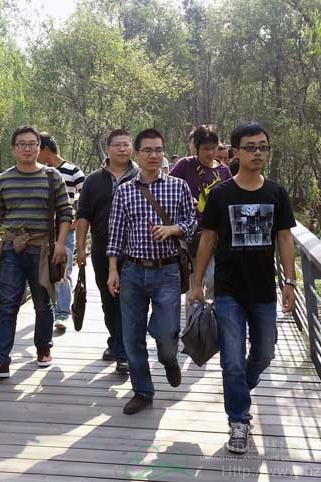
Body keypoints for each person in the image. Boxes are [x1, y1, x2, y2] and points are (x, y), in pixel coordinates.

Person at [189, 122, 297, 454]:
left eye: (263, 147)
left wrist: (290, 281)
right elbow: (207, 239)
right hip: (228, 291)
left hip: (263, 290)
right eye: (251, 147)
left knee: (264, 353)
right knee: (232, 361)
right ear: (235, 152)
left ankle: (240, 391)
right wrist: (196, 284)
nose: (258, 153)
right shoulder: (221, 194)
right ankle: (239, 421)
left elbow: (284, 238)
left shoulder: (276, 193)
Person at [106, 128, 196, 415]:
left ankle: (169, 360)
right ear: (137, 154)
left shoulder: (179, 186)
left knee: (168, 335)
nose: (153, 155)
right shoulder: (124, 190)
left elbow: (193, 221)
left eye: (158, 150)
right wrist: (113, 270)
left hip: (167, 271)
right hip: (132, 271)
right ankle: (143, 391)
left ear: (164, 153)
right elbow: (116, 234)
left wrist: (174, 228)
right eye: (147, 150)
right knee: (132, 337)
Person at [0, 125, 72, 377]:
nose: (27, 148)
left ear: (39, 148)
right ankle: (0, 361)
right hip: (12, 249)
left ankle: (43, 348)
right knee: (7, 305)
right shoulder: (3, 180)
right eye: (22, 144)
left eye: (32, 144)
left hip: (42, 250)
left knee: (43, 303)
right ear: (13, 148)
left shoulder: (53, 177)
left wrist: (60, 244)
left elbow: (65, 213)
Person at [76, 129, 139, 374]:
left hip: (135, 249)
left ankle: (123, 352)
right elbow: (83, 215)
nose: (122, 149)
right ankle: (116, 341)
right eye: (117, 145)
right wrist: (81, 248)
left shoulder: (141, 176)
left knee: (130, 300)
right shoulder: (93, 180)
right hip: (102, 248)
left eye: (126, 144)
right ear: (108, 148)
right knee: (109, 299)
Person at [169, 125, 231, 298]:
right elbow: (166, 188)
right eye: (205, 148)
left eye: (213, 148)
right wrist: (185, 202)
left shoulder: (224, 171)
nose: (210, 153)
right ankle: (194, 314)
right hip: (189, 234)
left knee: (213, 278)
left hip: (215, 235)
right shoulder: (186, 165)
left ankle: (210, 311)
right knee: (192, 283)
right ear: (196, 148)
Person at [38, 132, 85, 331]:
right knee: (42, 272)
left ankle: (63, 313)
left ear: (45, 149)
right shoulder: (38, 172)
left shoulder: (73, 171)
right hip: (42, 233)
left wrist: (76, 221)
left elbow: (86, 198)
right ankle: (48, 309)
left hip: (65, 230)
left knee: (63, 271)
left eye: (36, 148)